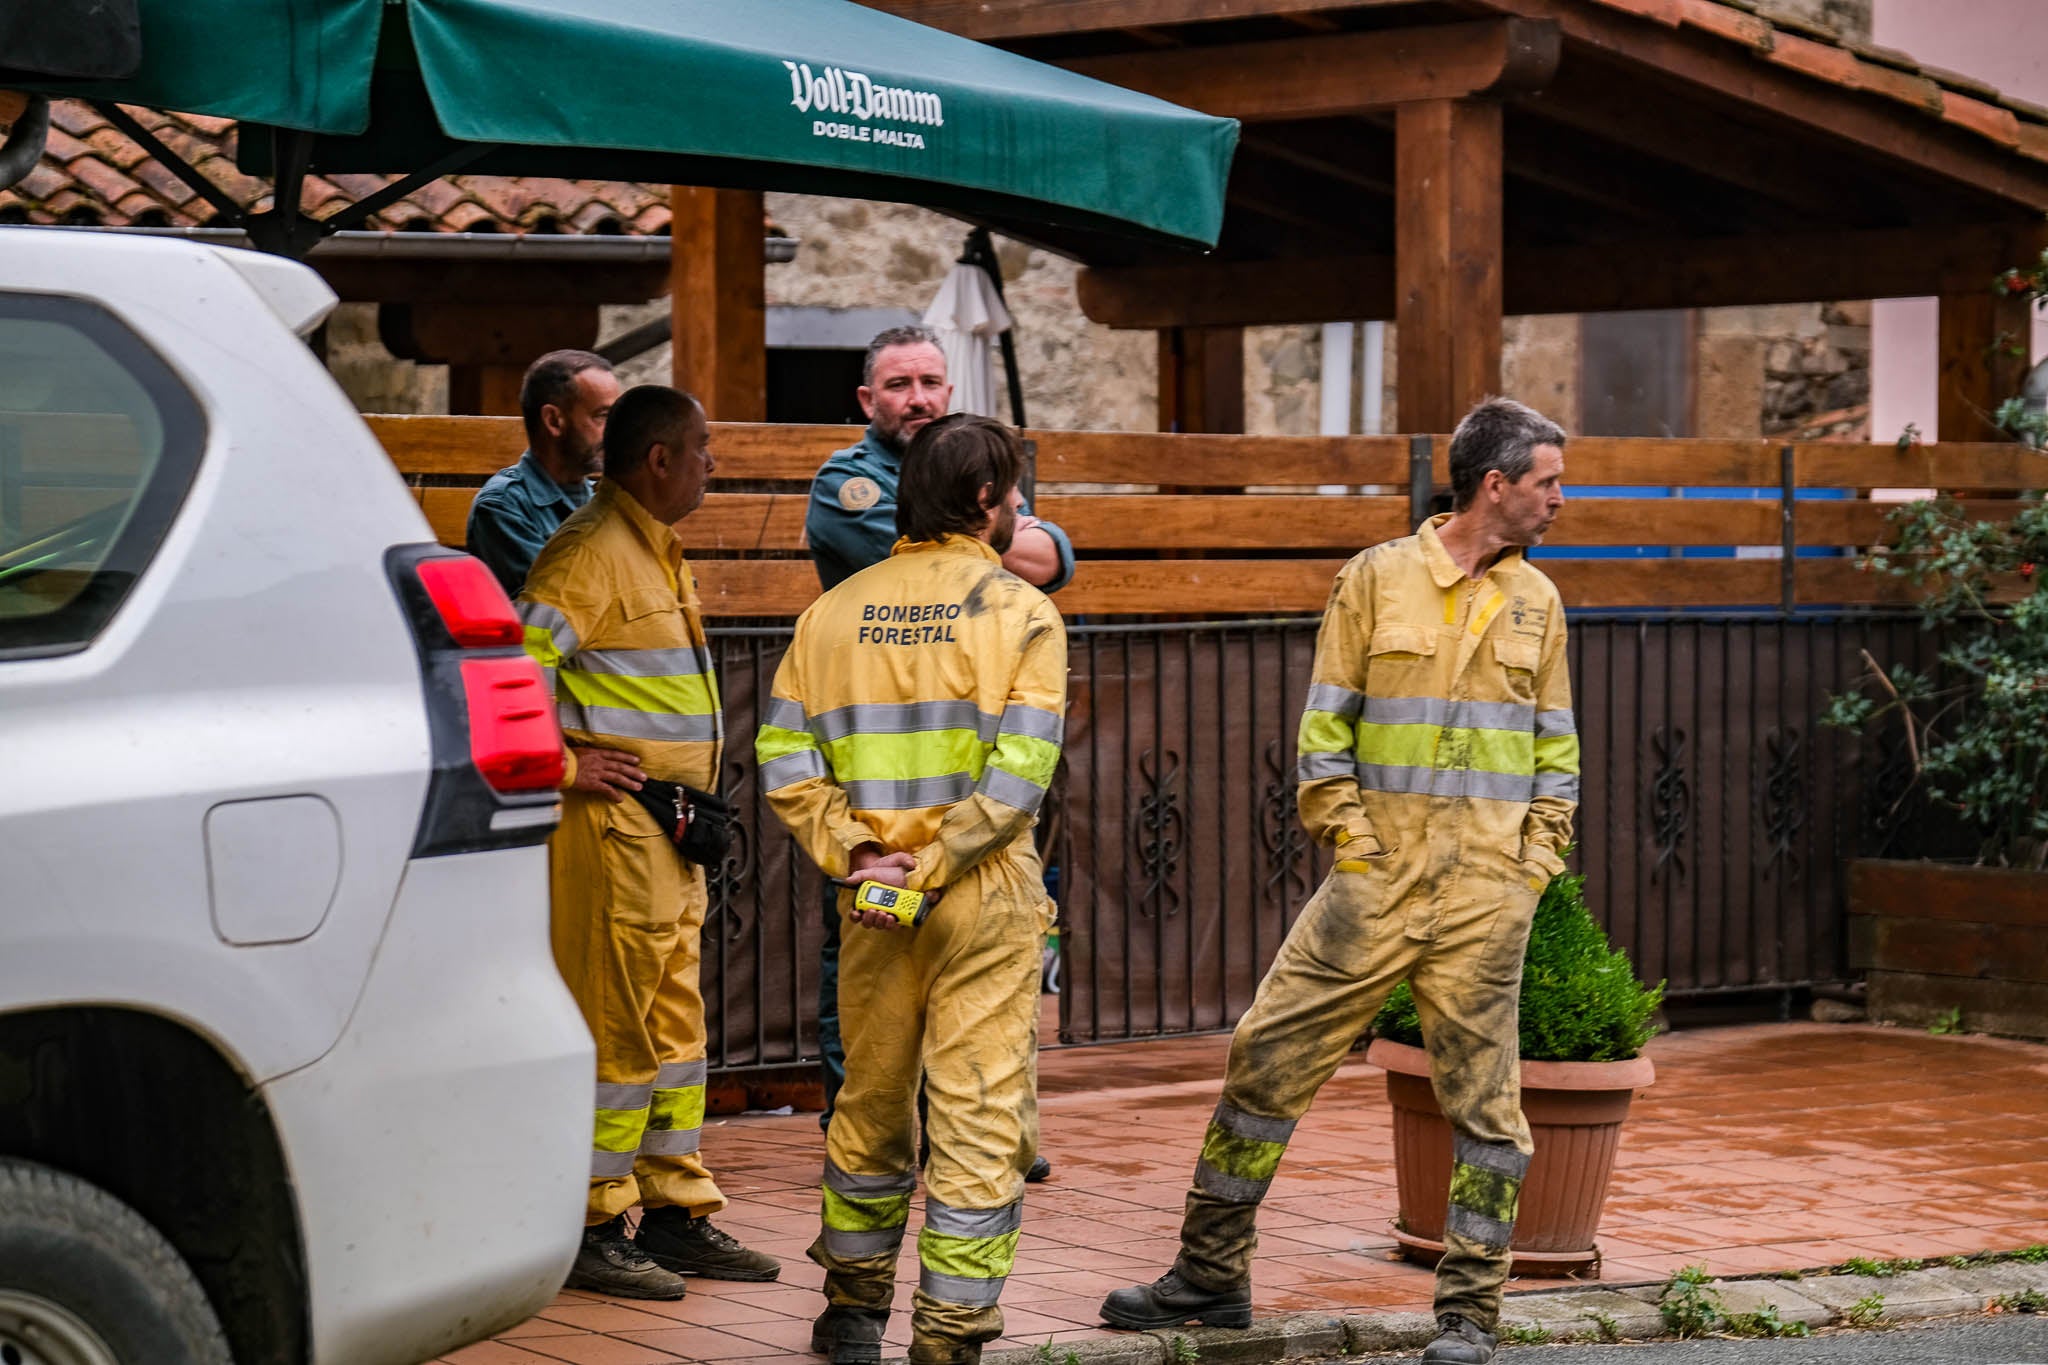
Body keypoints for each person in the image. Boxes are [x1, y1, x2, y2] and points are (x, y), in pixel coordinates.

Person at [1098, 397, 1579, 1365]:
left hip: (1486, 901)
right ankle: (1209, 1274)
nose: (1558, 502)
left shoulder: (1539, 603)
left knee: (1487, 1112)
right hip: (1373, 887)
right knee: (1262, 1059)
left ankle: (1468, 1316)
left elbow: (1553, 757)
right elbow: (1323, 737)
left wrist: (1530, 869)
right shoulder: (1373, 580)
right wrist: (1355, 848)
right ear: (1495, 485)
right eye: (1547, 482)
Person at [759, 413, 1066, 1365]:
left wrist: (857, 857)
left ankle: (851, 1311)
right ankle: (949, 1338)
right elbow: (1021, 775)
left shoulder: (832, 613)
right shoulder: (1022, 613)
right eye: (1012, 490)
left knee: (872, 1100)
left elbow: (783, 755)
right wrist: (939, 865)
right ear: (984, 502)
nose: (1019, 506)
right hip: (980, 893)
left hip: (875, 898)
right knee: (976, 1114)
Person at [519, 385, 778, 1299]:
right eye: (703, 448)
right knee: (617, 1027)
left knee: (673, 1029)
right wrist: (560, 763)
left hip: (667, 829)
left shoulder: (653, 552)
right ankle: (589, 1220)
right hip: (613, 831)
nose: (714, 463)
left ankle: (673, 1208)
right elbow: (510, 672)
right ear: (660, 459)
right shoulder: (590, 554)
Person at [805, 325, 1072, 1181]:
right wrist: (871, 849)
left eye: (930, 380)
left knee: (951, 1000)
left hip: (923, 824)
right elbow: (1029, 555)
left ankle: (918, 1148)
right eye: (898, 383)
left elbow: (1058, 554)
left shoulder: (836, 615)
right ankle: (891, 1129)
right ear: (866, 399)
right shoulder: (843, 487)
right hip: (891, 812)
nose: (917, 396)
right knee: (877, 998)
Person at [468, 349, 622, 596]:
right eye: (602, 416)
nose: (616, 432)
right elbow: (563, 602)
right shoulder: (502, 507)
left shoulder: (605, 503)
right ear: (553, 421)